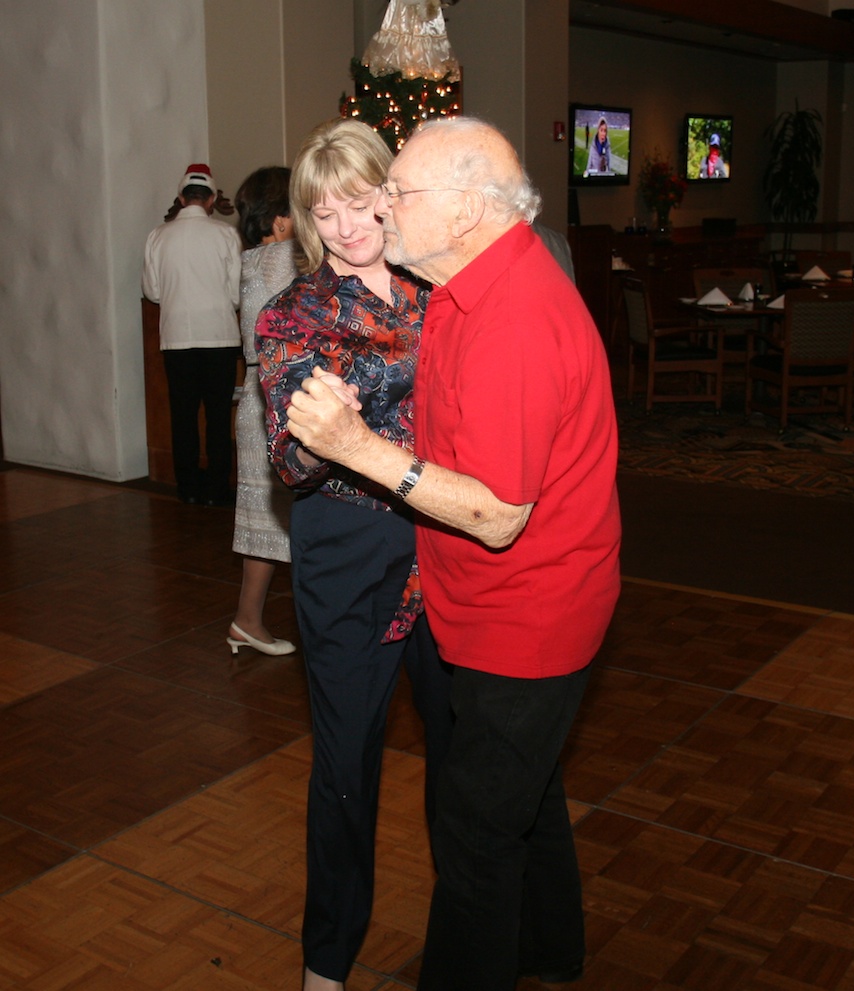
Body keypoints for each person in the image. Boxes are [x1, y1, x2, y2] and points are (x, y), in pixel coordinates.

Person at [282, 116, 621, 991]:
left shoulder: (506, 314)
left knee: (475, 833)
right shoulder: (468, 288)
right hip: (467, 599)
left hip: (523, 612)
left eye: (396, 193)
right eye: (353, 203)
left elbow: (500, 512)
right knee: (524, 794)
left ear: (467, 209)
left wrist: (355, 443)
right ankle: (550, 949)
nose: (380, 213)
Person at [254, 118, 453, 991]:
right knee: (344, 767)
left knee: (461, 752)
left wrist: (353, 401)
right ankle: (326, 962)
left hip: (448, 540)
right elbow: (292, 456)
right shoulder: (291, 314)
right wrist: (350, 407)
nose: (343, 222)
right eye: (321, 208)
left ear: (390, 191)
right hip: (347, 550)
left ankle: (473, 933)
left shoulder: (436, 290)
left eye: (359, 197)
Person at [226, 166, 298, 657]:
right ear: (279, 220)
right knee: (293, 515)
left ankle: (247, 620)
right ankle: (252, 621)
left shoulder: (252, 259)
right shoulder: (286, 257)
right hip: (282, 393)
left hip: (259, 391)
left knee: (265, 518)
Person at [142, 164, 242, 505]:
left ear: (182, 198)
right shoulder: (226, 235)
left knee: (182, 416)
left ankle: (187, 488)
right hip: (220, 338)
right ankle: (217, 489)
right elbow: (236, 295)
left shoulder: (158, 235)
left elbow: (152, 291)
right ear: (211, 199)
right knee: (217, 416)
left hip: (177, 340)